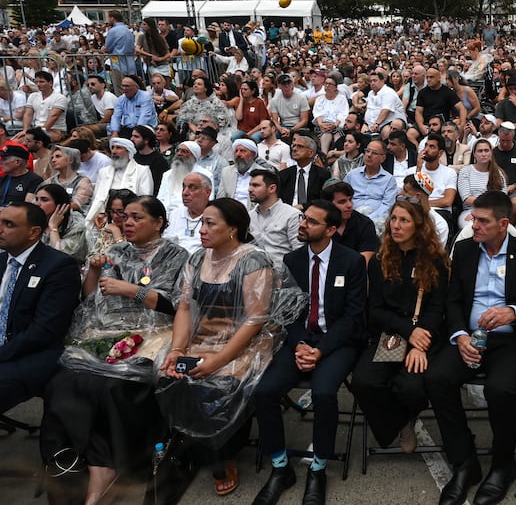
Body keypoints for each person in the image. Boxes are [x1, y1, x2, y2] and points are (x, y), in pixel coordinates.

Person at [40, 196, 187, 505]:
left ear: (159, 222)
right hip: (107, 332)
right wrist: (94, 269)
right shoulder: (117, 250)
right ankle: (67, 460)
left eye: (136, 218)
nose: (128, 223)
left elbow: (178, 305)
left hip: (154, 334)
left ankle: (106, 468)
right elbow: (91, 296)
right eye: (125, 218)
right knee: (62, 382)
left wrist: (135, 290)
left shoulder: (177, 255)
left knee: (111, 387)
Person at [157, 198, 303, 497]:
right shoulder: (197, 259)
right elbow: (184, 308)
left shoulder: (252, 261)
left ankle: (222, 455)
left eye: (211, 223)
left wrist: (217, 360)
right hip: (205, 336)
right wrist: (176, 349)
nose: (203, 229)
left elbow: (254, 321)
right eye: (202, 223)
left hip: (246, 342)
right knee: (168, 376)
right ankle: (191, 445)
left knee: (215, 384)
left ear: (233, 229)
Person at [425, 191, 516, 505]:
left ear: (503, 224)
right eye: (472, 217)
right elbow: (452, 302)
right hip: (471, 337)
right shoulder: (464, 250)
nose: (472, 224)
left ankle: (503, 463)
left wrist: (514, 312)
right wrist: (459, 336)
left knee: (499, 389)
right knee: (437, 378)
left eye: (482, 220)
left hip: (514, 340)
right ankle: (465, 461)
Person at [252, 200, 367, 505]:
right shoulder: (292, 260)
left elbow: (354, 318)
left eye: (312, 222)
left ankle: (318, 468)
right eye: (304, 219)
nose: (303, 225)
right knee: (263, 391)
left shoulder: (351, 262)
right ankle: (280, 467)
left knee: (325, 394)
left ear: (330, 230)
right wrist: (302, 345)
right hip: (300, 340)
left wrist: (319, 351)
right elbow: (287, 312)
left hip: (336, 343)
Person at [351, 199, 450, 452]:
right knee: (364, 381)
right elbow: (375, 310)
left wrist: (421, 341)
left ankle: (406, 415)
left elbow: (438, 308)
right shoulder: (380, 259)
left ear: (418, 226)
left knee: (412, 387)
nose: (396, 226)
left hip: (426, 332)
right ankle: (402, 422)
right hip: (391, 333)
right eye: (393, 219)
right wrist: (409, 332)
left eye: (404, 220)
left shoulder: (435, 259)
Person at [0, 202, 81, 415]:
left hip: (32, 353)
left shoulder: (59, 267)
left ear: (33, 232)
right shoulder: (2, 260)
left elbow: (45, 330)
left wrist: (2, 352)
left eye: (8, 224)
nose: (0, 229)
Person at [85, 138, 154, 224]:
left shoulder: (142, 171)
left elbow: (145, 200)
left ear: (128, 152)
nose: (114, 151)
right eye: (113, 148)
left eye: (119, 148)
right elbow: (96, 198)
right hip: (105, 216)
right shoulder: (104, 172)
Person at [248, 168, 303, 264]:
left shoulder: (292, 215)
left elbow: (299, 253)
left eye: (256, 186)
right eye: (250, 185)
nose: (250, 189)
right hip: (254, 273)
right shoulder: (249, 216)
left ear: (272, 188)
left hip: (284, 275)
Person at [321, 179, 380, 262]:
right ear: (328, 204)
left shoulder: (365, 224)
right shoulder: (320, 224)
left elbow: (365, 262)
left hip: (355, 273)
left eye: (350, 200)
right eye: (342, 202)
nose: (349, 205)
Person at [457, 138, 507, 228]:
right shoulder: (465, 171)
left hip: (494, 211)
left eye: (486, 151)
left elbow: (502, 199)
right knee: (470, 227)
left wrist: (486, 209)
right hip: (471, 211)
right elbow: (467, 199)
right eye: (480, 151)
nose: (483, 154)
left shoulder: (498, 173)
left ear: (491, 153)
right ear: (474, 154)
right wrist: (479, 211)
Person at [162, 171, 213, 254]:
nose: (184, 193)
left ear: (207, 192)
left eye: (192, 188)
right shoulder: (174, 215)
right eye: (183, 187)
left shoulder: (216, 217)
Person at [34, 184, 87, 263]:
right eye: (37, 199)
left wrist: (53, 228)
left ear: (59, 204)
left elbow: (60, 256)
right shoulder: (33, 220)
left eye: (44, 200)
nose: (37, 204)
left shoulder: (76, 225)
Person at [278, 135, 331, 210]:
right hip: (287, 213)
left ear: (311, 153)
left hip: (312, 212)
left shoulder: (322, 174)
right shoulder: (284, 174)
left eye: (300, 146)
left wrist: (303, 206)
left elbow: (324, 200)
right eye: (294, 146)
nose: (294, 149)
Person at [41, 144, 93, 213]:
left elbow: (77, 205)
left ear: (70, 159)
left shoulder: (83, 181)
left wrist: (51, 206)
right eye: (52, 157)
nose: (53, 160)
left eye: (58, 156)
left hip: (75, 219)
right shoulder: (49, 181)